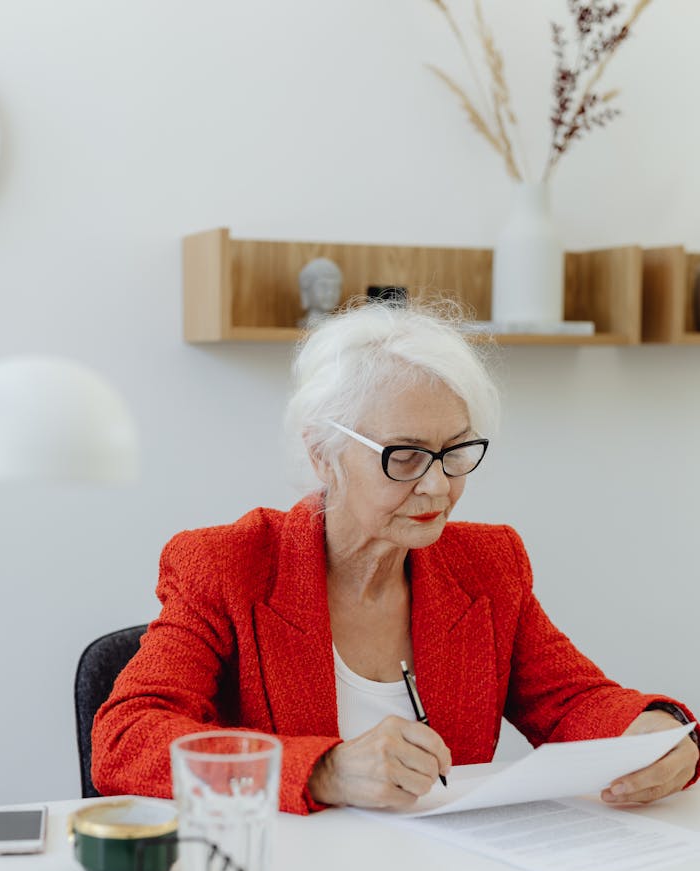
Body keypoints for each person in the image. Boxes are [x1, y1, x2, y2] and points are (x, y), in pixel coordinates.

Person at [91, 301, 699, 815]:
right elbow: (126, 738)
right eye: (404, 455)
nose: (437, 487)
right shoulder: (227, 564)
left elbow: (571, 702)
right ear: (324, 454)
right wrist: (324, 769)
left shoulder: (488, 563)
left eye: (455, 451)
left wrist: (657, 730)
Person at [297, 257, 343, 328]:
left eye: (334, 287)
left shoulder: (339, 327)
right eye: (323, 287)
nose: (330, 293)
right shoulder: (305, 326)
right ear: (307, 289)